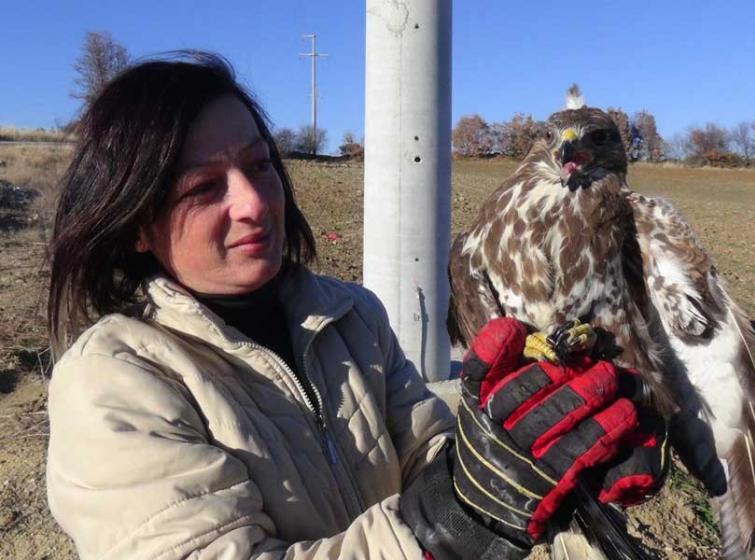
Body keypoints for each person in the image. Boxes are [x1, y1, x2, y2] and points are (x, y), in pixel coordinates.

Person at [46, 52, 667, 560]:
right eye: (204, 187)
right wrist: (447, 529)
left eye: (259, 166)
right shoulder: (114, 381)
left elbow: (429, 451)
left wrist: (525, 459)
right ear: (134, 224)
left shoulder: (349, 315)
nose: (254, 203)